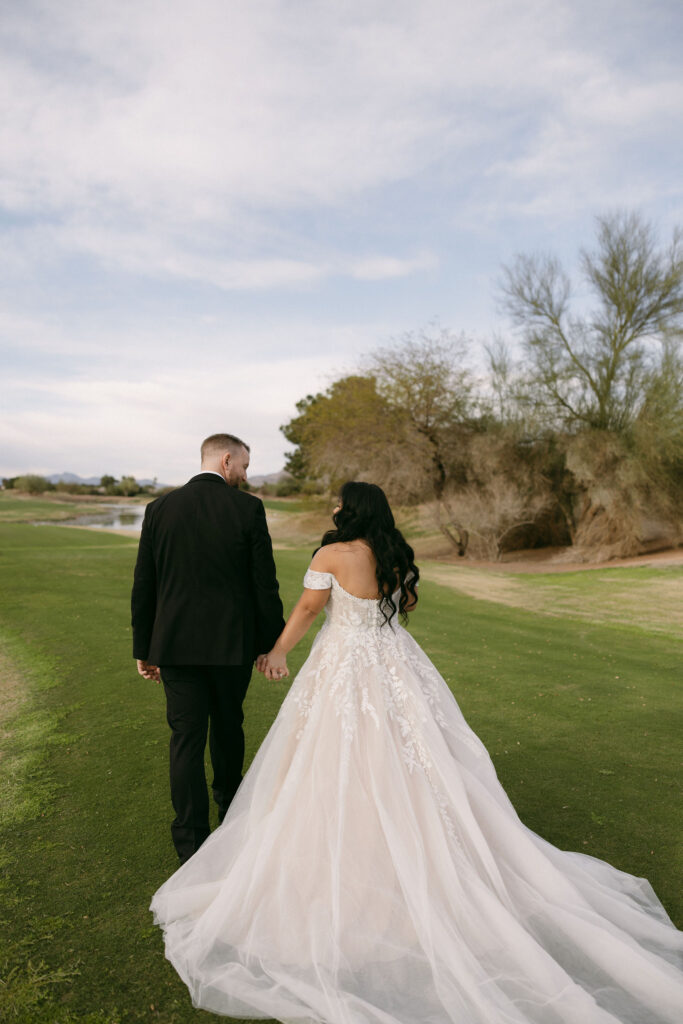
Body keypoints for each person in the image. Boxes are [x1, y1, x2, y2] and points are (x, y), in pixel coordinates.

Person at [150, 481, 683, 1023]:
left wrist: (277, 652)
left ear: (350, 510)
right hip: (394, 663)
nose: (332, 507)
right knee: (412, 752)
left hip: (345, 666)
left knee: (336, 755)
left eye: (338, 501)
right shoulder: (394, 555)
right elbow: (404, 602)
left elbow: (310, 609)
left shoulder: (332, 553)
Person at [131, 433, 284, 864]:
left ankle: (191, 844)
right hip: (231, 647)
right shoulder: (247, 508)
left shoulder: (159, 509)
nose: (245, 474)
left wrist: (144, 648)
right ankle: (231, 827)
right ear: (226, 458)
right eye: (245, 466)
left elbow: (145, 585)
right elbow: (264, 585)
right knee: (228, 730)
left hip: (174, 647)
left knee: (186, 740)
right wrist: (269, 644)